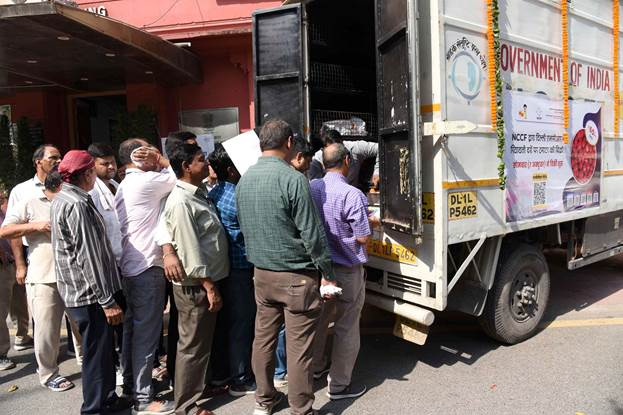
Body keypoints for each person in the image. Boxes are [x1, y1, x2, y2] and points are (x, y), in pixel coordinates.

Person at [237, 119, 336, 415]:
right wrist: (327, 273)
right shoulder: (293, 179)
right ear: (289, 142)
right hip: (296, 276)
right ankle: (301, 408)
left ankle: (264, 401)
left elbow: (244, 226)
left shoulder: (245, 179)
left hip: (261, 274)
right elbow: (313, 234)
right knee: (299, 348)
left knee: (263, 339)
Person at [50, 151, 128, 414]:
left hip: (83, 293)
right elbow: (89, 257)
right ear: (86, 174)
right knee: (96, 355)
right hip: (89, 295)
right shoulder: (76, 203)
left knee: (103, 351)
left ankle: (107, 398)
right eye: (93, 171)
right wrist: (107, 300)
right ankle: (94, 408)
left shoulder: (66, 197)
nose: (96, 175)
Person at [162, 143, 229, 415]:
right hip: (196, 287)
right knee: (192, 348)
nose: (206, 164)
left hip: (205, 283)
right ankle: (187, 407)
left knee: (200, 344)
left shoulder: (197, 193)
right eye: (201, 160)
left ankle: (196, 391)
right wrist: (209, 286)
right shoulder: (181, 201)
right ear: (187, 167)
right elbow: (190, 250)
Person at [0, 170, 83, 392]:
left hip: (76, 273)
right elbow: (6, 230)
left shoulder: (76, 199)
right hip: (44, 274)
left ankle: (87, 363)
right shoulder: (29, 200)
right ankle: (48, 373)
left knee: (81, 324)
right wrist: (36, 226)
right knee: (47, 328)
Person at [115, 139, 178, 415]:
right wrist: (162, 160)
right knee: (146, 333)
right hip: (145, 267)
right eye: (149, 150)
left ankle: (131, 387)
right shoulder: (145, 182)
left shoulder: (128, 183)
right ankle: (142, 397)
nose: (156, 154)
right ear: (139, 156)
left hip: (132, 265)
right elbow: (179, 177)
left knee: (133, 330)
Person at [310, 143, 373, 400]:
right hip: (347, 270)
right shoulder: (353, 194)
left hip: (321, 270)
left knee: (320, 321)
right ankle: (338, 385)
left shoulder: (312, 187)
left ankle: (314, 368)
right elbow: (362, 238)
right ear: (347, 160)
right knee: (347, 325)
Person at [208, 144, 256, 397]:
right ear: (231, 170)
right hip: (240, 268)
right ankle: (240, 378)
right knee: (241, 322)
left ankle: (224, 373)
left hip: (224, 267)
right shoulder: (238, 196)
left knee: (228, 323)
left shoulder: (214, 192)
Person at [4, 145, 60, 352]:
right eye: (53, 157)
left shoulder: (65, 185)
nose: (58, 161)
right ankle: (45, 360)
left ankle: (75, 349)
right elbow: (13, 231)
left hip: (66, 256)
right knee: (42, 311)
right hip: (36, 254)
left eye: (60, 157)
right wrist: (20, 264)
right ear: (38, 161)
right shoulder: (22, 191)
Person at [273, 134, 315, 388]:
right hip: (292, 267)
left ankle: (275, 376)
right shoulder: (296, 181)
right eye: (308, 160)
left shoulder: (258, 178)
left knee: (271, 328)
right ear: (298, 157)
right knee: (294, 329)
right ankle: (294, 387)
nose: (309, 165)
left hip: (265, 268)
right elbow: (309, 230)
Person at [87, 142, 125, 386]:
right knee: (108, 322)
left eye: (112, 162)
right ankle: (113, 369)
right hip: (104, 267)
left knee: (122, 320)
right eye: (104, 163)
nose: (111, 167)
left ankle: (123, 364)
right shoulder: (90, 192)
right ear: (92, 166)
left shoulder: (116, 185)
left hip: (123, 263)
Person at [0, 187, 25, 370]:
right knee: (1, 312)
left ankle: (23, 336)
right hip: (1, 266)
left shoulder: (4, 211)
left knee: (19, 305)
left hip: (12, 263)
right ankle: (1, 354)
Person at [308, 129, 379, 190]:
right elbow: (315, 188)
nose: (336, 155)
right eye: (332, 152)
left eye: (339, 149)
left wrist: (377, 172)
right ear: (323, 149)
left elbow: (380, 148)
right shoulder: (316, 160)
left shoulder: (355, 148)